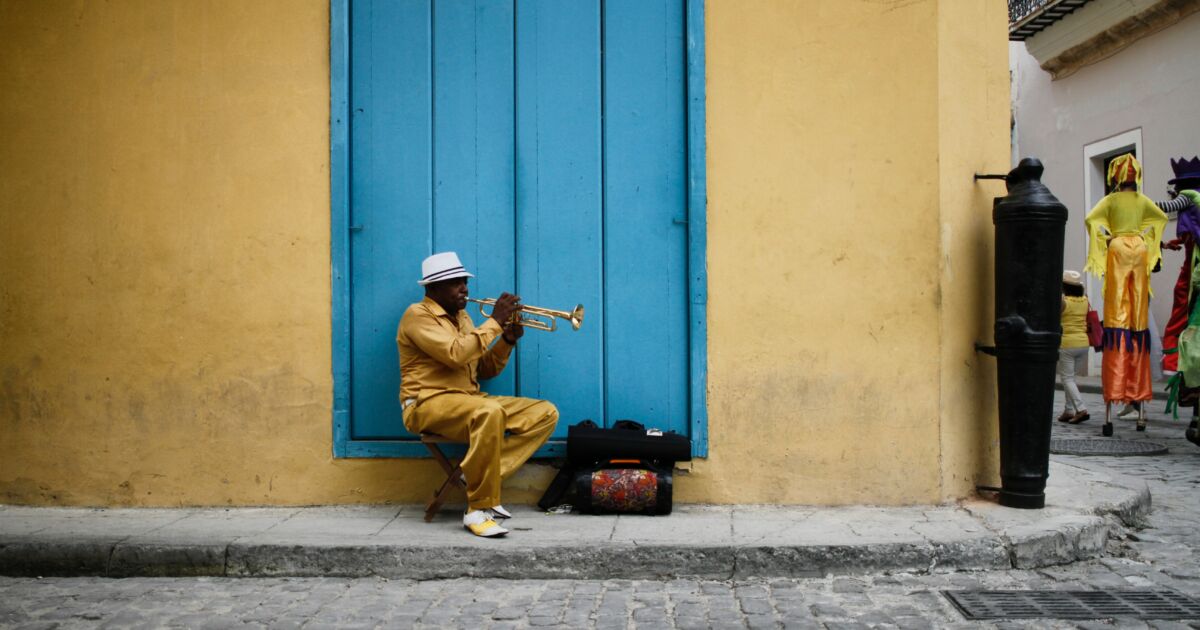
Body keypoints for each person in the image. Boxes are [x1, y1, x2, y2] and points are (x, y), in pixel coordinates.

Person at [397, 252, 559, 537]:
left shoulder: (464, 318)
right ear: (432, 288)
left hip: (469, 401)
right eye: (455, 282)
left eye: (465, 281)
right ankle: (477, 510)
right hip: (426, 403)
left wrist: (507, 340)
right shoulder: (417, 315)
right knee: (489, 412)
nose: (464, 288)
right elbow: (456, 354)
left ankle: (471, 475)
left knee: (545, 413)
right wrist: (496, 321)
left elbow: (483, 369)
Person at [1084, 153, 1169, 436]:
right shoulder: (1142, 201)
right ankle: (1139, 406)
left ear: (1116, 177)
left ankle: (1116, 398)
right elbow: (1159, 217)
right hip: (1140, 249)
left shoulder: (1110, 201)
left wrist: (1106, 238)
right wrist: (1147, 239)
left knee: (1117, 314)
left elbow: (1091, 219)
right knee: (1137, 318)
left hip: (1119, 247)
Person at [1057, 271, 1092, 424]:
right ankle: (1068, 410)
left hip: (1067, 343)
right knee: (1070, 378)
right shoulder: (1085, 300)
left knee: (1066, 378)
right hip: (1084, 344)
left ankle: (1081, 409)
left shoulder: (1063, 301)